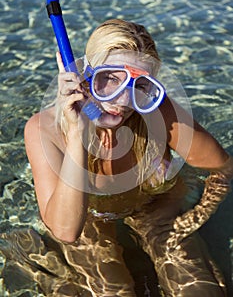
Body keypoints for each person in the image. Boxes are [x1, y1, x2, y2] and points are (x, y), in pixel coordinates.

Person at [24, 19, 233, 296]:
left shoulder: (156, 112)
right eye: (109, 78)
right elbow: (65, 230)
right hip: (88, 221)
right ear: (83, 74)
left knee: (200, 289)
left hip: (155, 209)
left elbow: (223, 167)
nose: (124, 101)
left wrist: (193, 218)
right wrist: (78, 134)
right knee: (112, 290)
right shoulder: (44, 129)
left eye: (140, 84)